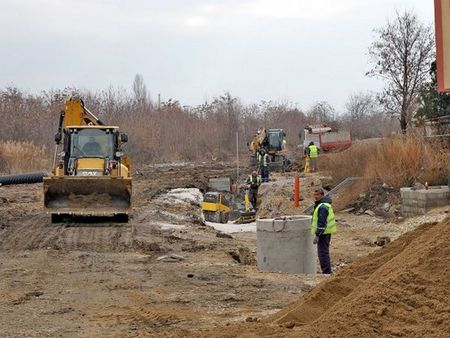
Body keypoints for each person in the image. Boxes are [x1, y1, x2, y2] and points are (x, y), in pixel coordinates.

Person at [311, 188, 336, 274]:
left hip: (323, 233)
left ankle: (326, 272)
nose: (316, 197)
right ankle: (327, 271)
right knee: (324, 252)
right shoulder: (324, 204)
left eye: (317, 195)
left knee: (323, 253)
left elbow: (322, 222)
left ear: (322, 195)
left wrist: (317, 235)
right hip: (326, 232)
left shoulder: (322, 207)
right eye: (315, 195)